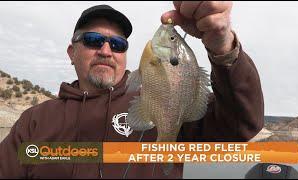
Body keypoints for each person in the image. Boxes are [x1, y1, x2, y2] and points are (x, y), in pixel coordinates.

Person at [0, 2, 264, 179]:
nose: (106, 51)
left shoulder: (155, 97)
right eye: (93, 41)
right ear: (72, 52)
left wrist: (223, 48)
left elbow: (241, 125)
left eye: (117, 44)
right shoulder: (34, 122)